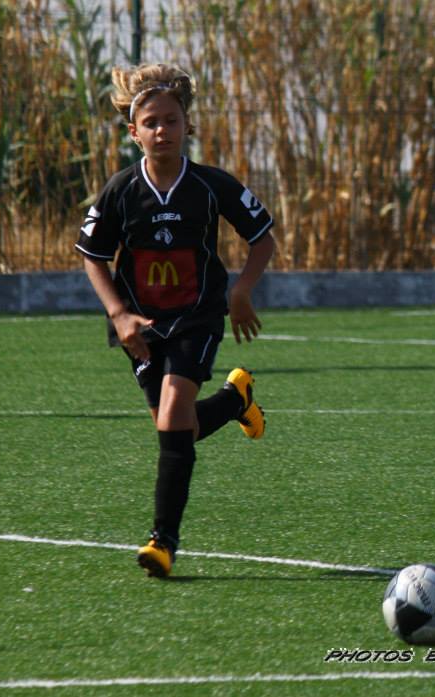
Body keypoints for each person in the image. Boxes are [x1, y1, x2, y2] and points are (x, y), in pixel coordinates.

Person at [75, 63, 275, 579]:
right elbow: (92, 256)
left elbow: (262, 238)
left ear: (188, 125)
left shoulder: (210, 185)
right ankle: (235, 400)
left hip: (196, 316)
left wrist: (241, 290)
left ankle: (163, 540)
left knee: (172, 416)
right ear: (133, 132)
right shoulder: (120, 190)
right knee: (175, 427)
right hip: (140, 325)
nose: (161, 130)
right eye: (151, 122)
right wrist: (118, 314)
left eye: (171, 120)